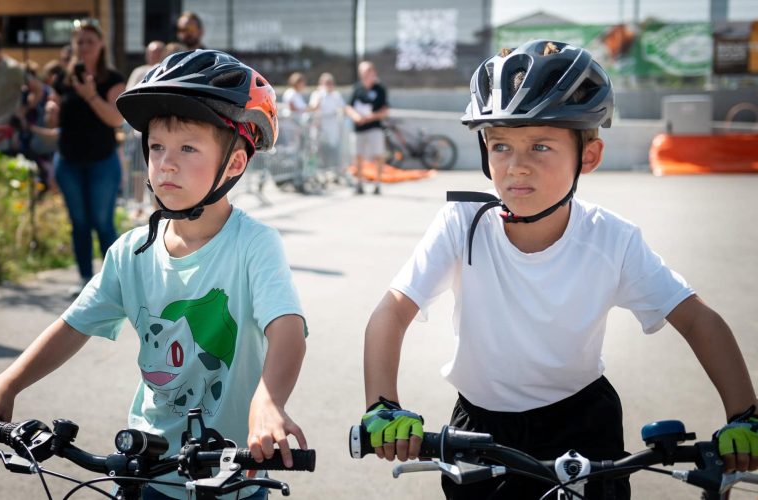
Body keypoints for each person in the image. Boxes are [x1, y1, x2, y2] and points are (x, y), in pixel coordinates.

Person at [360, 40, 758, 500]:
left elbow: (697, 318)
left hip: (583, 422)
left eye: (541, 145)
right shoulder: (461, 224)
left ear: (588, 157)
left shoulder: (612, 237)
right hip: (480, 426)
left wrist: (744, 414)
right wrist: (383, 406)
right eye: (500, 145)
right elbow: (391, 313)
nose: (517, 166)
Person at [0, 49, 308, 500]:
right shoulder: (131, 251)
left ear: (235, 163)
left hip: (232, 476)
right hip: (146, 466)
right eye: (157, 146)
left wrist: (268, 402)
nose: (166, 163)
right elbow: (72, 325)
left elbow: (288, 329)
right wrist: (6, 384)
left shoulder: (254, 245)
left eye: (187, 148)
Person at [51, 19, 126, 294]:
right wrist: (51, 111)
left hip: (102, 161)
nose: (83, 47)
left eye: (89, 42)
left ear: (101, 45)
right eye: (79, 41)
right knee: (79, 223)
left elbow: (116, 119)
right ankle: (85, 280)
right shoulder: (63, 77)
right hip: (68, 160)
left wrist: (92, 96)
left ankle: (115, 283)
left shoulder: (113, 78)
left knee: (102, 222)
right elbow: (57, 115)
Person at [345, 60, 388, 195]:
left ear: (373, 72)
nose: (365, 74)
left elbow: (385, 110)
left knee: (378, 156)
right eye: (363, 72)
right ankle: (359, 184)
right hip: (359, 129)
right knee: (357, 156)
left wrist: (370, 117)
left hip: (374, 127)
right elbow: (349, 107)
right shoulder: (357, 88)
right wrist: (356, 116)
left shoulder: (380, 89)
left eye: (368, 71)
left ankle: (377, 184)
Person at [308, 72, 346, 171]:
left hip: (332, 130)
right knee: (316, 150)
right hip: (319, 128)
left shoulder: (336, 95)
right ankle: (314, 170)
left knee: (332, 150)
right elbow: (313, 107)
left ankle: (332, 170)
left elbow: (343, 108)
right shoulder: (317, 94)